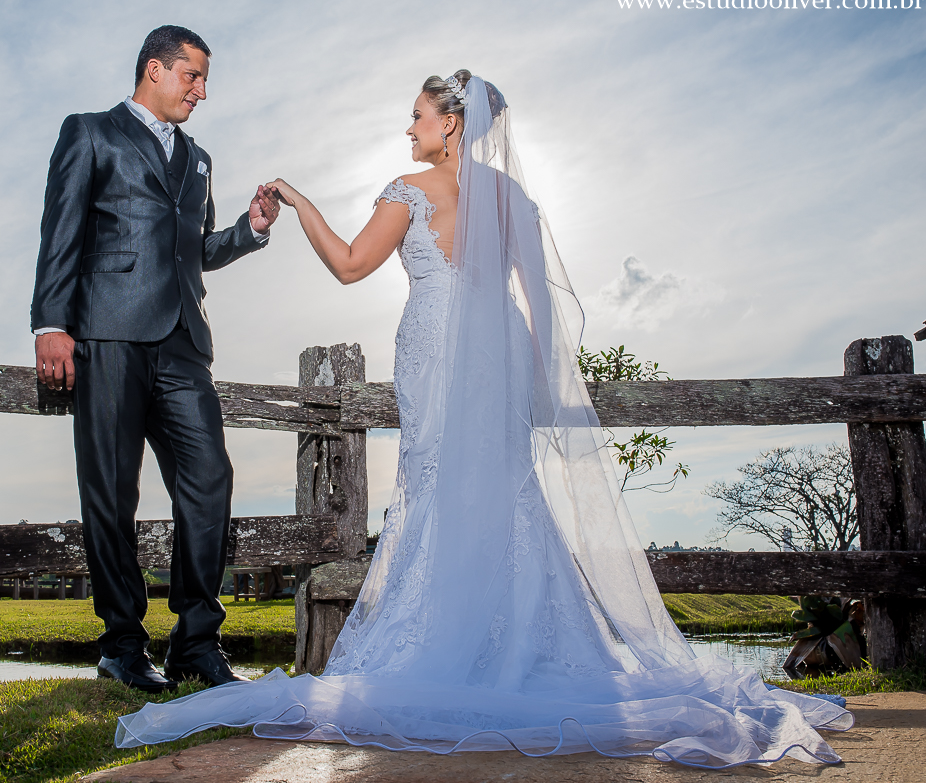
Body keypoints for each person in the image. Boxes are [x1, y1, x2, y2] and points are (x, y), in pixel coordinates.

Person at [113, 72, 854, 768]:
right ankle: (515, 647)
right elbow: (535, 303)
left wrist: (303, 205)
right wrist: (539, 386)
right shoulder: (513, 199)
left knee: (436, 487)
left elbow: (346, 267)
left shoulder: (410, 188)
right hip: (498, 353)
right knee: (504, 490)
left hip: (437, 345)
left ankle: (448, 650)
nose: (408, 129)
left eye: (418, 116)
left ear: (451, 123)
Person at [30, 25, 282, 692]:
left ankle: (197, 643)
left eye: (203, 80)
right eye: (192, 76)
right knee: (110, 492)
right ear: (155, 70)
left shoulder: (198, 159)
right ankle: (121, 644)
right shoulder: (89, 131)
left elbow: (196, 248)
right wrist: (51, 322)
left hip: (183, 346)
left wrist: (250, 230)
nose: (201, 91)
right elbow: (61, 229)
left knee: (209, 481)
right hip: (106, 334)